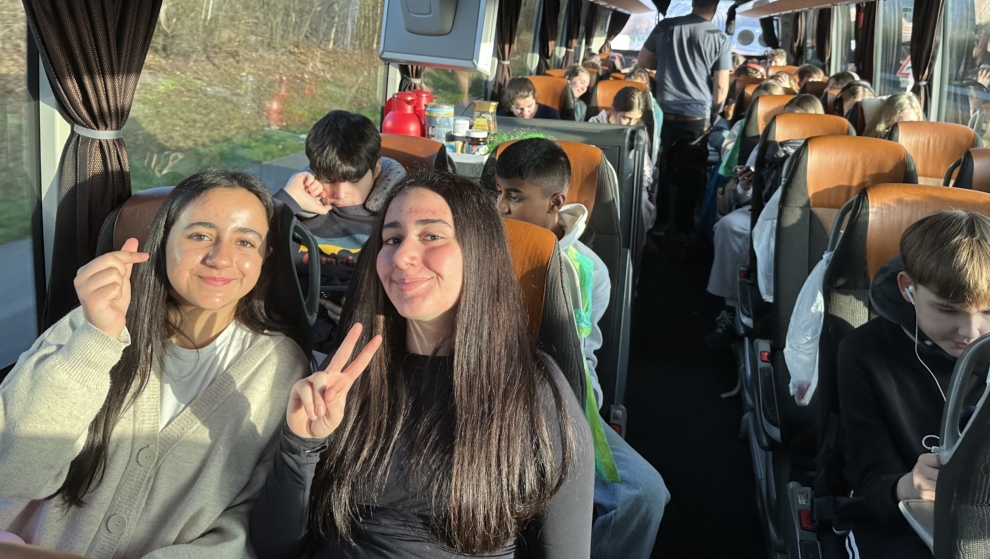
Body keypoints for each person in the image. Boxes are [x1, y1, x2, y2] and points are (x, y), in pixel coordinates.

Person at [250, 171, 593, 558]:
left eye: (432, 236)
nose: (401, 257)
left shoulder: (534, 391)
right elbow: (274, 548)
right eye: (392, 239)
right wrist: (301, 444)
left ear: (479, 252)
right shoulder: (348, 375)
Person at [0, 169, 311, 555]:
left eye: (245, 242)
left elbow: (247, 520)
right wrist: (95, 342)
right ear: (164, 241)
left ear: (266, 257)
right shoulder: (93, 321)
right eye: (200, 236)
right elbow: (13, 472)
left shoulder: (282, 368)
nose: (220, 258)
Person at [495, 140, 670, 559]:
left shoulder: (588, 270)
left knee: (644, 493)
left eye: (514, 196)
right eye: (498, 192)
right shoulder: (477, 243)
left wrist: (581, 413)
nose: (500, 206)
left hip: (556, 404)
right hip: (484, 394)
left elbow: (582, 358)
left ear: (555, 202)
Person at [838, 211, 990, 557]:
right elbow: (870, 479)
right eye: (947, 309)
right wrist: (907, 486)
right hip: (903, 516)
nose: (970, 332)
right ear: (908, 289)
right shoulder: (865, 353)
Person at [276, 110, 406, 351]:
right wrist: (288, 200)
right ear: (314, 172)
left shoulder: (395, 220)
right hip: (290, 336)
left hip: (369, 340)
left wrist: (372, 312)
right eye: (329, 179)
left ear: (377, 169)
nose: (341, 193)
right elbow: (250, 242)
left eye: (354, 180)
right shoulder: (297, 209)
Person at [706, 94, 824, 346]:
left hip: (812, 217)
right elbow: (744, 197)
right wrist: (746, 186)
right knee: (729, 227)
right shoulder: (767, 145)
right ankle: (730, 307)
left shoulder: (829, 151)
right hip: (764, 210)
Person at [636, 0, 731, 240]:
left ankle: (658, 222)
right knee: (691, 176)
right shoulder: (719, 38)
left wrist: (667, 61)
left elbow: (643, 63)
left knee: (659, 169)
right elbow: (721, 87)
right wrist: (713, 113)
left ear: (693, 2)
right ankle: (684, 229)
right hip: (695, 116)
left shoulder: (666, 27)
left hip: (662, 113)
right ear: (715, 7)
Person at [589, 88, 656, 230]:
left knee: (640, 204)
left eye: (635, 119)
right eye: (626, 118)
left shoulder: (638, 132)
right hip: (598, 184)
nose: (631, 124)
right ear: (613, 111)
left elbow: (646, 172)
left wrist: (633, 186)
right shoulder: (593, 126)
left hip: (629, 185)